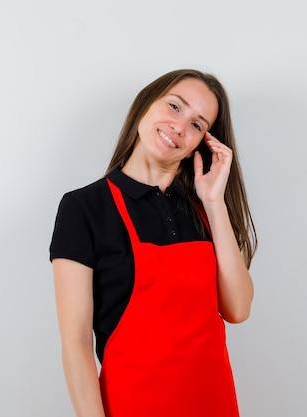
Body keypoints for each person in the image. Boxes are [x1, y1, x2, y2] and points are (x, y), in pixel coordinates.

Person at [49, 69, 257, 417]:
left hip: (213, 404)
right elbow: (77, 344)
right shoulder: (85, 208)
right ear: (146, 104)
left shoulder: (203, 209)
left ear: (203, 142)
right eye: (175, 107)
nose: (180, 126)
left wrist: (214, 201)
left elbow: (238, 309)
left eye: (197, 125)